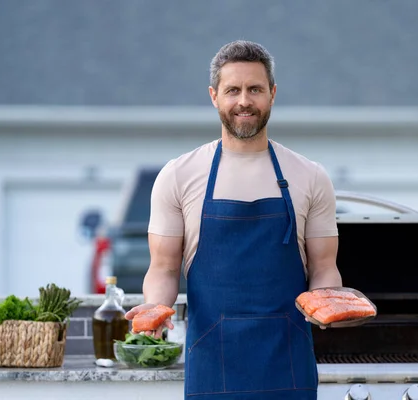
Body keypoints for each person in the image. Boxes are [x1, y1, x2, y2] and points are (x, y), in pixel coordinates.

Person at [125, 40, 342, 400]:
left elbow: (324, 267)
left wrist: (327, 302)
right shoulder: (179, 175)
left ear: (272, 94)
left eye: (255, 89)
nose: (244, 101)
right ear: (214, 96)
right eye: (233, 90)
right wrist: (155, 309)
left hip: (288, 362)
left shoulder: (310, 176)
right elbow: (163, 268)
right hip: (212, 364)